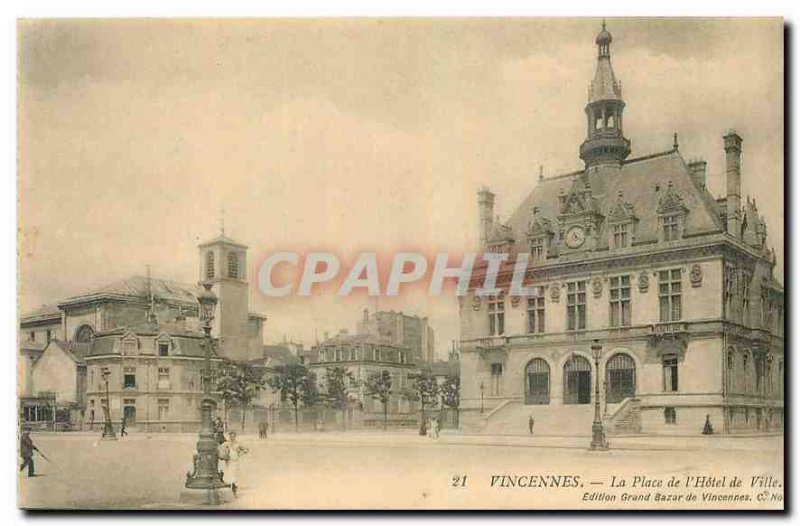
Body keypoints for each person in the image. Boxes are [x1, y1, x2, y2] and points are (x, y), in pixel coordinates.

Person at [218, 431, 249, 497]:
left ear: (235, 436)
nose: (232, 437)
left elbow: (246, 450)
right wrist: (224, 453)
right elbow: (220, 448)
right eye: (231, 436)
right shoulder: (226, 444)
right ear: (229, 436)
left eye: (233, 436)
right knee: (228, 475)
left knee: (234, 476)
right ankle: (230, 491)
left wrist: (240, 454)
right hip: (229, 462)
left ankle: (234, 491)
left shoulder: (238, 444)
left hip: (235, 462)